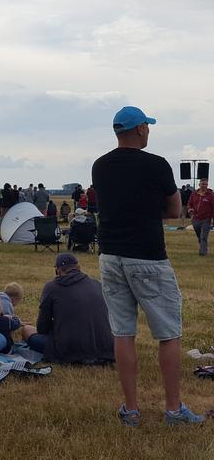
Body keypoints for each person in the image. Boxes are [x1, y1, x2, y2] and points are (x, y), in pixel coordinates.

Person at [92, 105, 204, 426]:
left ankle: (131, 409)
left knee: (123, 332)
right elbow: (173, 209)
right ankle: (172, 409)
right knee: (168, 333)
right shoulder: (156, 165)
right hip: (147, 256)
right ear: (140, 129)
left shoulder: (100, 166)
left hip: (110, 256)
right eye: (147, 126)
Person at [22, 253, 114, 365]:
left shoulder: (51, 287)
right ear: (78, 268)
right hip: (106, 350)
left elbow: (42, 328)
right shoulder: (98, 285)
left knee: (27, 330)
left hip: (68, 351)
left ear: (57, 271)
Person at [187, 177, 214, 256]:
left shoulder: (211, 195)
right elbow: (189, 204)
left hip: (206, 219)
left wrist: (213, 218)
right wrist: (191, 212)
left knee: (203, 236)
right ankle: (202, 246)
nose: (204, 186)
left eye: (206, 184)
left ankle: (203, 253)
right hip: (195, 219)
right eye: (203, 184)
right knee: (199, 236)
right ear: (199, 185)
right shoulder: (194, 194)